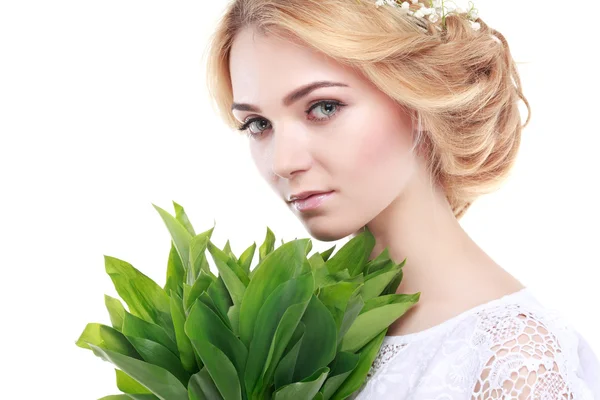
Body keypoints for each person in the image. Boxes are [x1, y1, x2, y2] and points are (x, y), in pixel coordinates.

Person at [204, 0, 600, 398]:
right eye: (258, 124)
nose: (283, 161)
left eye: (324, 108)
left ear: (420, 94)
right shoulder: (290, 330)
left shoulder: (513, 361)